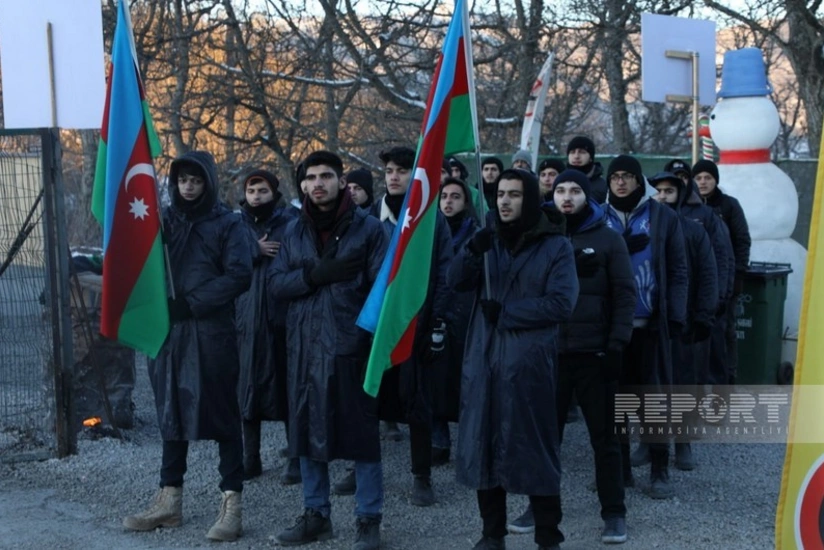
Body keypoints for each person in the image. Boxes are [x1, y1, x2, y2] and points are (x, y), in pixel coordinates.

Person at [122, 151, 253, 542]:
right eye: (183, 180)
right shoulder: (161, 222)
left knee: (224, 416)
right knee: (170, 414)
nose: (189, 187)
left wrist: (192, 303)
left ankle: (232, 502)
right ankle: (170, 500)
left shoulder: (229, 224)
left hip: (211, 335)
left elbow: (239, 274)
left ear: (208, 183)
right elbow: (140, 260)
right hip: (170, 336)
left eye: (196, 180)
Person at [449, 168, 579, 550]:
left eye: (514, 194)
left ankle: (548, 536)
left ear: (530, 199)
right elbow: (454, 281)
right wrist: (473, 250)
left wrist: (506, 313)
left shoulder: (555, 246)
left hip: (528, 366)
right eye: (500, 194)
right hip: (483, 360)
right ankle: (492, 534)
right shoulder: (486, 239)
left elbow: (561, 302)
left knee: (535, 452)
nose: (504, 201)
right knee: (483, 447)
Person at [508, 169, 635, 544]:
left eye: (575, 190)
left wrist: (616, 345)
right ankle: (541, 508)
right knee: (545, 439)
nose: (567, 196)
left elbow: (626, 295)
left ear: (587, 195)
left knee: (605, 440)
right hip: (547, 355)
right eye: (560, 189)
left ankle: (614, 513)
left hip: (594, 354)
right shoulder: (538, 238)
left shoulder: (610, 240)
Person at [269, 150, 388, 550]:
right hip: (303, 347)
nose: (317, 183)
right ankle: (316, 514)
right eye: (310, 178)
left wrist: (365, 340)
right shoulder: (292, 231)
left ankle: (368, 519)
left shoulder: (369, 230)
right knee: (306, 434)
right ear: (301, 185)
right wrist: (314, 275)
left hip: (350, 346)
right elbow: (276, 284)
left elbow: (381, 291)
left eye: (326, 176)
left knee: (362, 438)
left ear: (341, 182)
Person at [364, 145, 453, 507]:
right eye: (389, 170)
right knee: (366, 401)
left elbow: (445, 272)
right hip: (373, 327)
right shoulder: (368, 218)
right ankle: (362, 469)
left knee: (417, 403)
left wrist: (438, 321)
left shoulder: (432, 219)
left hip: (416, 323)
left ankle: (421, 475)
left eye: (403, 170)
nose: (395, 176)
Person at [603, 155, 688, 500]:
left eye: (627, 176)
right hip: (608, 327)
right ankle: (621, 470)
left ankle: (659, 469)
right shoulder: (598, 215)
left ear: (640, 182)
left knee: (653, 400)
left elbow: (679, 269)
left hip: (650, 323)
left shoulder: (662, 216)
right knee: (616, 399)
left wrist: (676, 315)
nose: (620, 182)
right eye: (615, 177)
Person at [649, 171, 719, 471]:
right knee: (650, 385)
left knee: (683, 384)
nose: (663, 196)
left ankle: (684, 442)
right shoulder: (644, 227)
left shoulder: (693, 230)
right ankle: (648, 441)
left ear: (680, 194)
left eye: (669, 191)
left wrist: (704, 314)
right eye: (658, 191)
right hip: (652, 320)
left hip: (684, 321)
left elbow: (708, 274)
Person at [235, 169, 301, 485]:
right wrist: (254, 250)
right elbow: (223, 262)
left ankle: (296, 456)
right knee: (246, 389)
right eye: (252, 191)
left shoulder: (291, 224)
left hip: (282, 317)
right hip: (245, 318)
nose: (257, 197)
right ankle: (250, 458)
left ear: (273, 193)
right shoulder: (235, 226)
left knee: (289, 387)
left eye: (262, 191)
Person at [431, 177, 479, 467]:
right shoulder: (431, 232)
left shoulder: (476, 233)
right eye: (444, 196)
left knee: (468, 383)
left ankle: (470, 443)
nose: (448, 202)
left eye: (455, 197)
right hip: (438, 312)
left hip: (467, 315)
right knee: (437, 380)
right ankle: (439, 439)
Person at [693, 159, 752, 384]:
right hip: (700, 281)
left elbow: (742, 241)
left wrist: (738, 274)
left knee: (726, 330)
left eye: (708, 177)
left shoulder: (729, 206)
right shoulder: (690, 207)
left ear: (716, 180)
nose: (703, 182)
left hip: (726, 279)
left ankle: (728, 377)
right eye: (698, 178)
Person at [566, 136, 607, 203]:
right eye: (572, 152)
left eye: (582, 152)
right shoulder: (559, 181)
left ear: (591, 157)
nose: (576, 156)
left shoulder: (603, 185)